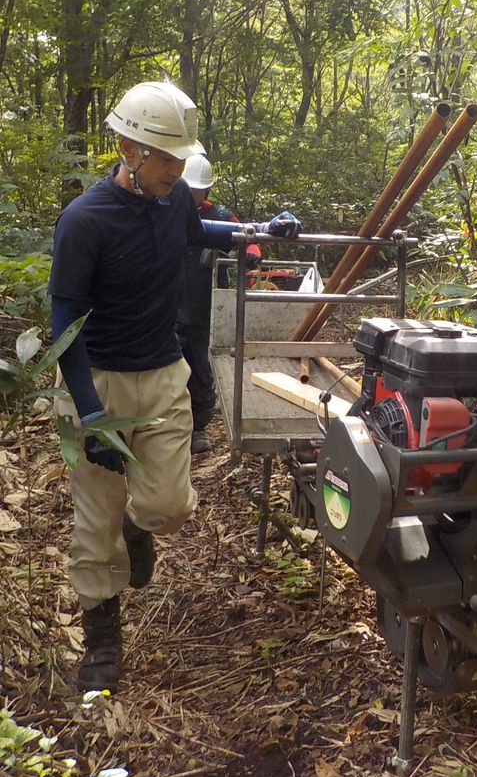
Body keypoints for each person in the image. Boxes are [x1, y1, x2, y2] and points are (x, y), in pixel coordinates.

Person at [50, 80, 301, 694]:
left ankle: (142, 528)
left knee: (169, 507)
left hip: (164, 377)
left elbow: (198, 233)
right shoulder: (84, 221)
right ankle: (103, 636)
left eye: (181, 157)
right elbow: (63, 324)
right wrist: (89, 415)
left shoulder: (175, 201)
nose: (177, 169)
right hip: (98, 381)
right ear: (127, 147)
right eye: (167, 158)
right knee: (94, 520)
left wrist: (255, 229)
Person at [177, 154, 262, 455]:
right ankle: (169, 428)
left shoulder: (221, 216)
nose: (191, 195)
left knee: (201, 370)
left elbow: (247, 236)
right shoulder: (168, 209)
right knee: (170, 370)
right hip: (170, 308)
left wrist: (251, 253)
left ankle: (198, 427)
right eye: (187, 189)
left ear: (206, 190)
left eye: (196, 191)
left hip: (204, 307)